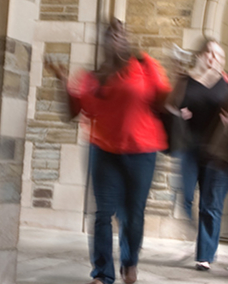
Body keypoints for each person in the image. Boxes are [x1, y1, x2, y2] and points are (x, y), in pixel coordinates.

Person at [46, 19, 171, 284]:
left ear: (126, 39)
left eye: (120, 33)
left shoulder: (146, 65)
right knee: (102, 213)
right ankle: (102, 273)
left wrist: (179, 79)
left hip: (142, 151)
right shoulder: (91, 78)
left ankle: (130, 260)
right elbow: (72, 113)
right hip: (102, 150)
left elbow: (163, 102)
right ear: (102, 42)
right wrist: (62, 81)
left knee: (132, 215)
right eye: (109, 34)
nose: (115, 38)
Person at [173, 39, 228, 271]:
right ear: (202, 56)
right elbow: (171, 105)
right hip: (190, 147)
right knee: (185, 197)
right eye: (209, 53)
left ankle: (204, 254)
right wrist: (179, 113)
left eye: (218, 55)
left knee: (210, 204)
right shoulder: (186, 81)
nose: (213, 58)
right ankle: (198, 231)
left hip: (216, 151)